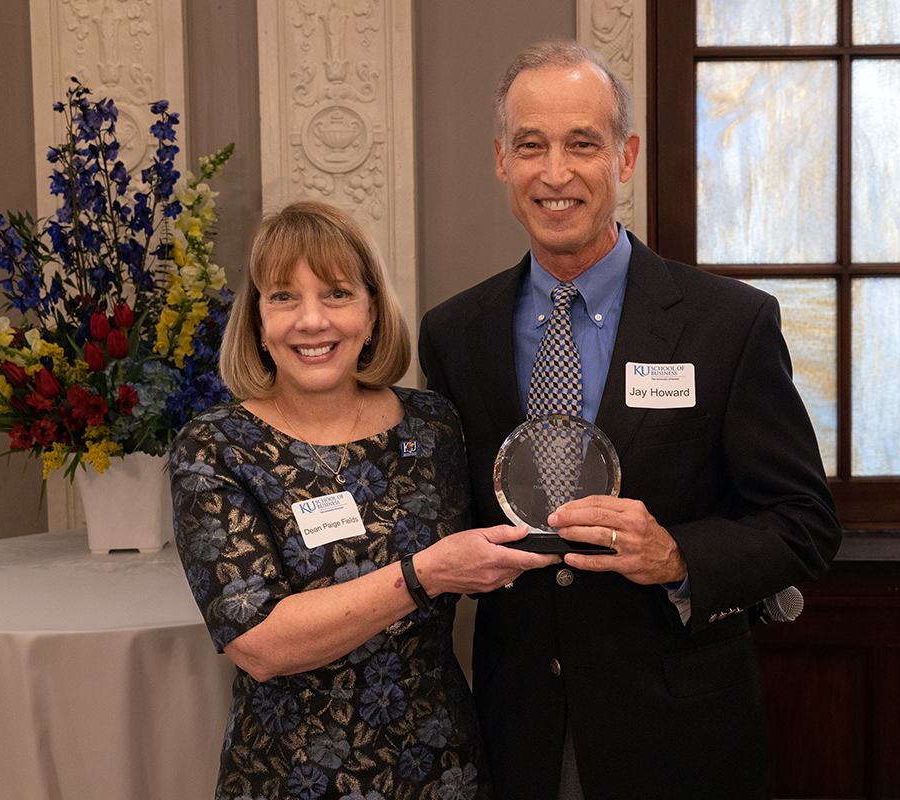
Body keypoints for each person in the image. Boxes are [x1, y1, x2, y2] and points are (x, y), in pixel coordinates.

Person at [417, 42, 842, 799]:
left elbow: (803, 524)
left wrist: (677, 554)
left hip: (679, 733)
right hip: (521, 729)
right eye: (531, 146)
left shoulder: (728, 324)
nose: (555, 173)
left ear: (625, 155)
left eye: (583, 143)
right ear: (500, 160)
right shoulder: (455, 334)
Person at [170, 200, 556, 800]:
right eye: (283, 297)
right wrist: (422, 574)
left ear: (372, 313)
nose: (311, 320)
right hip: (292, 774)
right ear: (257, 322)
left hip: (442, 767)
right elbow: (260, 645)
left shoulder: (435, 425)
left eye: (337, 294)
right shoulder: (216, 447)